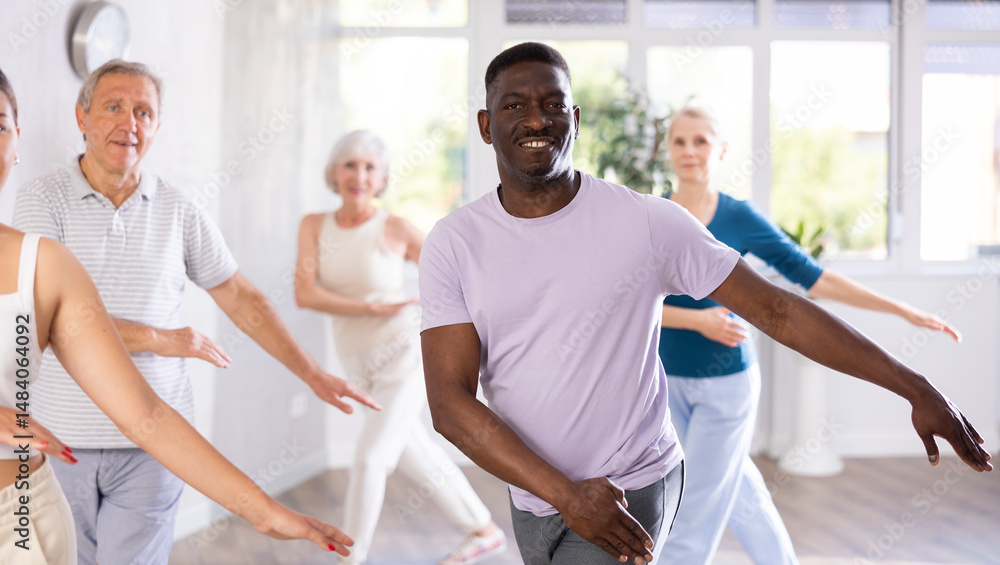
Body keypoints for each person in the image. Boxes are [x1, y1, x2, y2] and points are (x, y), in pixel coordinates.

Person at [417, 42, 991, 565]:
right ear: (487, 126)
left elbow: (778, 310)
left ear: (575, 117)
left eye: (553, 104)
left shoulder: (646, 221)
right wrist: (563, 494)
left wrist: (915, 386)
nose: (538, 118)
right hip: (535, 498)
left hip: (631, 483)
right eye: (516, 105)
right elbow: (449, 403)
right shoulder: (454, 242)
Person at [10, 60, 379, 565]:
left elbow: (243, 298)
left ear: (157, 127)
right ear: (82, 117)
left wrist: (311, 373)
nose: (130, 123)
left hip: (156, 444)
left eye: (144, 112)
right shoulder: (41, 200)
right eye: (114, 107)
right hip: (59, 439)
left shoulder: (179, 208)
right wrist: (165, 339)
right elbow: (51, 323)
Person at [656, 106, 962, 565]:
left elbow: (812, 277)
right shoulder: (655, 214)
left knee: (694, 498)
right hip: (666, 379)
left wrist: (901, 309)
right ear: (668, 151)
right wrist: (696, 320)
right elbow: (628, 300)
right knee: (737, 488)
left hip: (726, 385)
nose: (690, 152)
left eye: (700, 141)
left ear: (721, 150)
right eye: (680, 141)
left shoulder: (738, 217)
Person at [294, 130, 507, 565]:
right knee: (417, 454)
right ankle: (484, 530)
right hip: (357, 363)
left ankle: (350, 558)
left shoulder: (393, 228)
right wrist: (367, 306)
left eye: (370, 167)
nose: (360, 175)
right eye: (350, 164)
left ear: (383, 178)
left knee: (371, 459)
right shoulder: (314, 225)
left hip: (405, 358)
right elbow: (304, 293)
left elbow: (456, 275)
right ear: (334, 172)